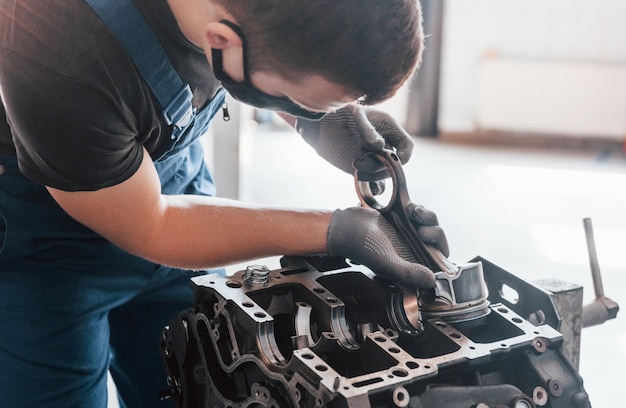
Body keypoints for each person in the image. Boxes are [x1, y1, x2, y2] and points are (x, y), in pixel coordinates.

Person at [0, 0, 448, 406]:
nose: (303, 111)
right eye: (300, 104)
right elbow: (152, 225)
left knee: (201, 386)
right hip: (46, 248)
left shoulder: (233, 19)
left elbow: (281, 37)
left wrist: (330, 118)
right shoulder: (57, 51)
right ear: (221, 41)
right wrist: (338, 231)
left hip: (172, 181)